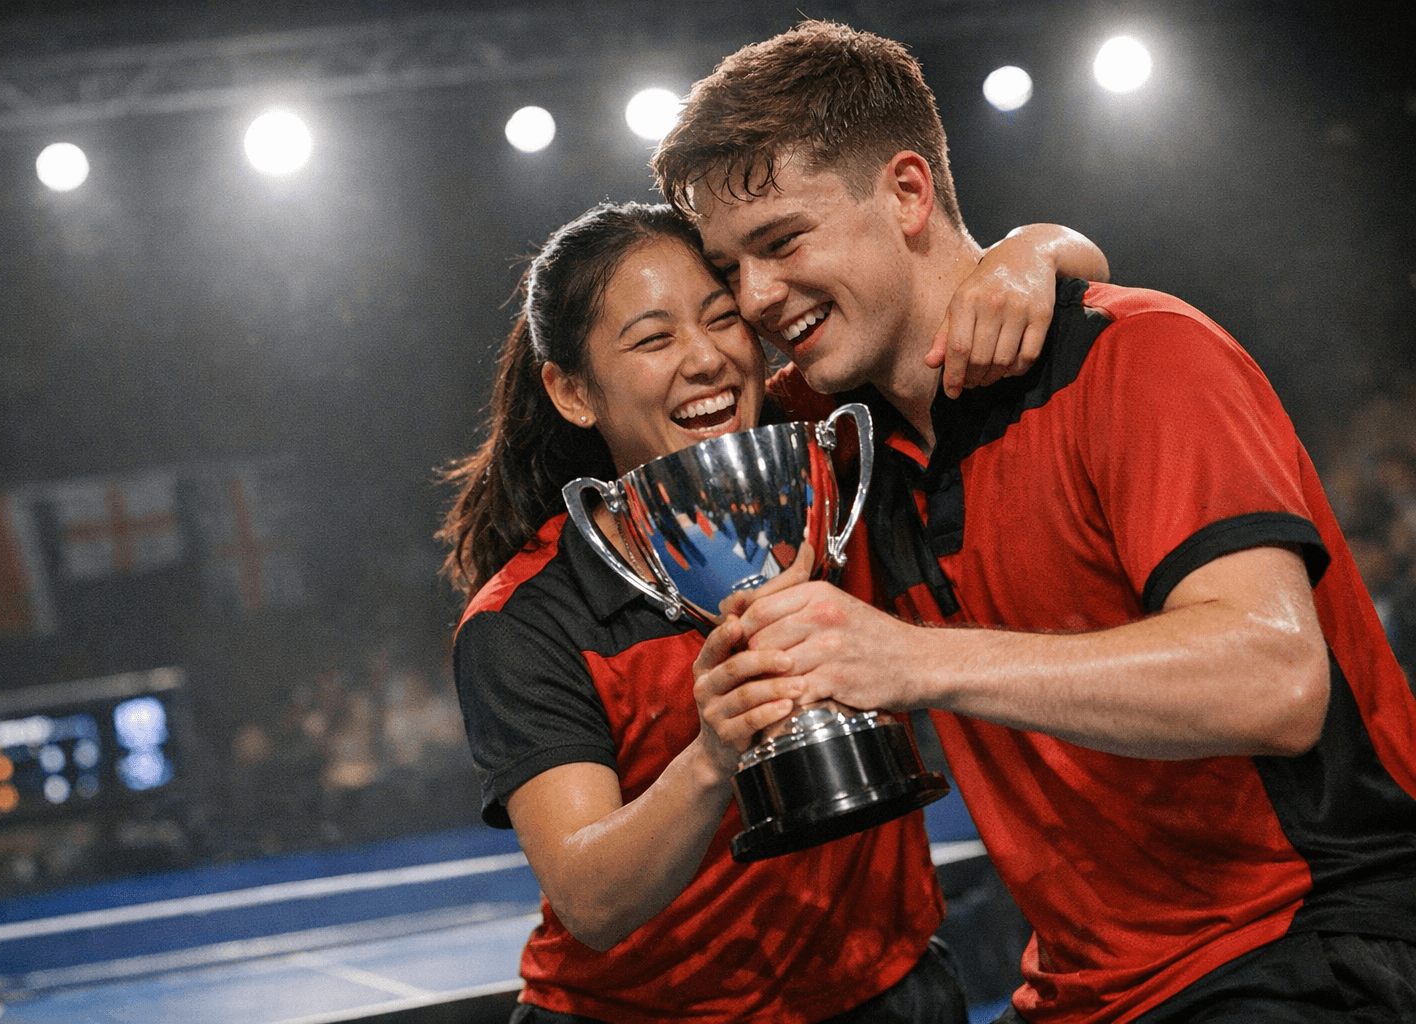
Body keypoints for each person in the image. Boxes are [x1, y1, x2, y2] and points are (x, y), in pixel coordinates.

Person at [654, 20, 1416, 1024]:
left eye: (783, 241)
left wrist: (915, 660)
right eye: (729, 268)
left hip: (1302, 945)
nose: (753, 296)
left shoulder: (1142, 356)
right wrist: (1037, 244)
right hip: (1081, 988)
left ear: (909, 192)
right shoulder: (828, 444)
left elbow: (1272, 677)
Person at [440, 200, 1108, 1023]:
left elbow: (1065, 268)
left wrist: (1028, 249)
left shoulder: (823, 448)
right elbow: (593, 901)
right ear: (573, 392)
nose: (707, 359)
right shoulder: (530, 617)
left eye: (723, 320)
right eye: (653, 339)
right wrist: (712, 756)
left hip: (889, 991)